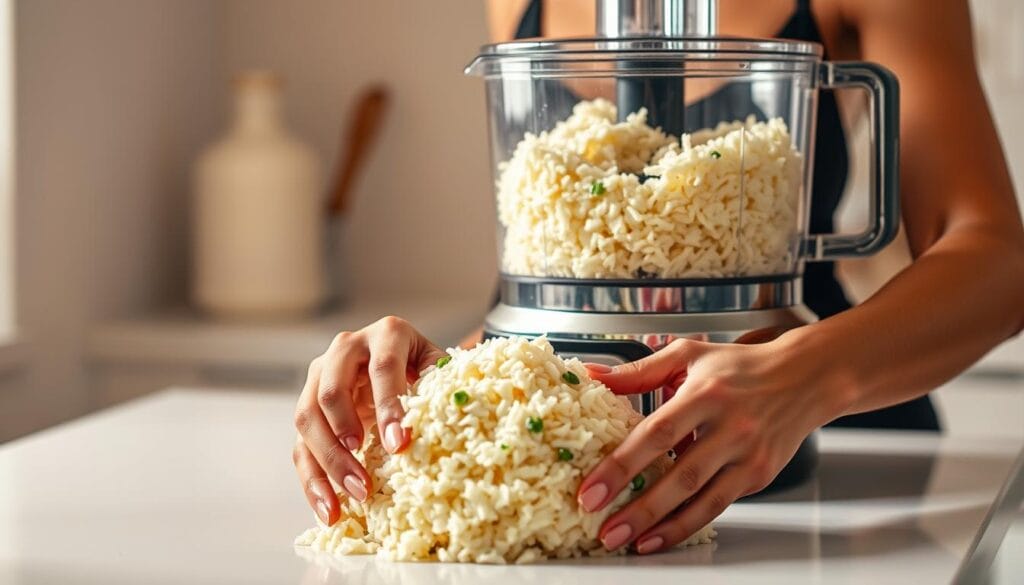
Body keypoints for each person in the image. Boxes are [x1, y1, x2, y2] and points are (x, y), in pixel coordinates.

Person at [291, 0, 1024, 555]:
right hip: (583, 495)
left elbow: (996, 257)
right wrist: (430, 385)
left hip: (843, 457)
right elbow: (563, 281)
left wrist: (798, 377)